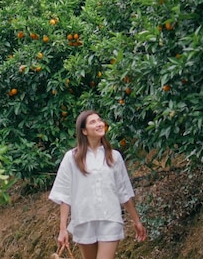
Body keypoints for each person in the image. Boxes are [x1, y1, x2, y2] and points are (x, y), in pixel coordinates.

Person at [49, 109, 147, 259]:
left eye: (100, 120)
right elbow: (65, 194)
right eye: (93, 122)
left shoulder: (114, 157)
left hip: (110, 218)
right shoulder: (72, 158)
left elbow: (124, 191)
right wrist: (63, 229)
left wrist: (136, 221)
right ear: (84, 131)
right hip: (83, 220)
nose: (99, 124)